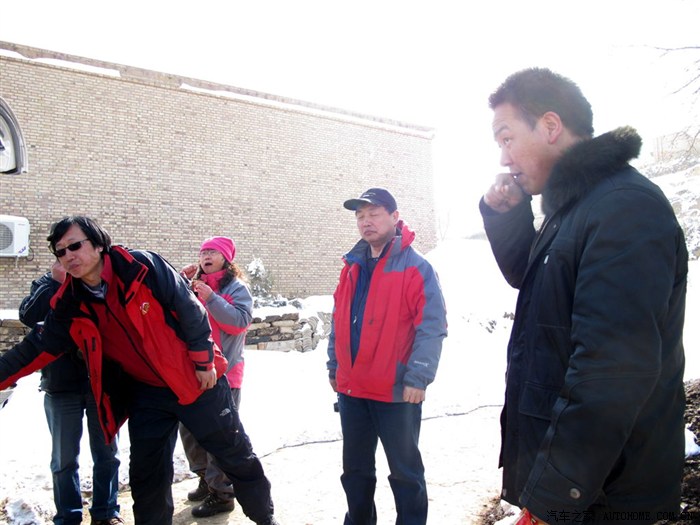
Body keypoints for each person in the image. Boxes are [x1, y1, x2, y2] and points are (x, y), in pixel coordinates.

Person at [479, 68, 687, 524]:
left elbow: (611, 371)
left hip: (606, 494)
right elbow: (537, 286)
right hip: (581, 490)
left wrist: (552, 497)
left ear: (550, 126)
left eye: (507, 137)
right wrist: (510, 217)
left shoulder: (623, 208)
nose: (503, 156)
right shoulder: (573, 210)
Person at [0, 216, 279, 525]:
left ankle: (265, 518)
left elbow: (190, 309)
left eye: (75, 246)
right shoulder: (72, 301)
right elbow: (36, 347)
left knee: (236, 457)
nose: (68, 256)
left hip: (196, 382)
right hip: (146, 394)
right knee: (147, 480)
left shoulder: (141, 266)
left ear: (98, 244)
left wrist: (203, 362)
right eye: (61, 252)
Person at [327, 187, 448, 525]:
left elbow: (432, 326)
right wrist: (334, 365)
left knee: (406, 474)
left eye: (374, 213)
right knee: (355, 473)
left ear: (395, 218)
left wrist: (419, 377)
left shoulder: (416, 267)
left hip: (396, 391)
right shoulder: (351, 266)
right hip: (353, 392)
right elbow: (339, 320)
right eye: (360, 216)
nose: (366, 221)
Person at [19, 261, 122, 525]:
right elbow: (29, 316)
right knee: (64, 460)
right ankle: (68, 516)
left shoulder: (101, 285)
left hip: (101, 385)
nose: (71, 257)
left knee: (107, 454)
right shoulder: (46, 282)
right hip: (60, 386)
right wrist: (56, 282)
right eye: (63, 251)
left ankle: (106, 513)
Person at [177, 236, 253, 517]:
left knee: (219, 435)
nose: (206, 256)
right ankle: (205, 480)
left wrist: (211, 298)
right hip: (193, 372)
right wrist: (180, 281)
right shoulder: (194, 285)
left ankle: (223, 493)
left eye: (212, 252)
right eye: (203, 252)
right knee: (190, 431)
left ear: (225, 258)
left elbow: (239, 322)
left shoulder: (236, 287)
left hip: (226, 373)